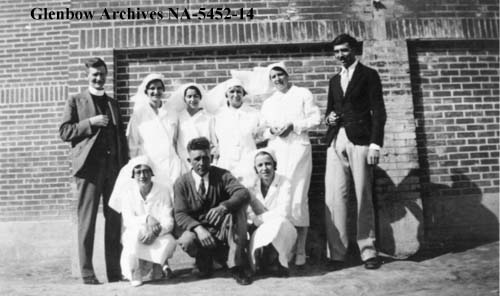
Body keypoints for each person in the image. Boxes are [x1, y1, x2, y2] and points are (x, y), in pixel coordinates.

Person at [59, 57, 129, 284]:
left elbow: (120, 138)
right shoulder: (75, 100)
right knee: (87, 222)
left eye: (101, 74)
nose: (98, 79)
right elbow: (65, 131)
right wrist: (90, 122)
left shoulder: (113, 103)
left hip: (113, 171)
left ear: (106, 75)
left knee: (114, 221)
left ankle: (114, 273)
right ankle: (88, 274)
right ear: (87, 76)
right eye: (94, 75)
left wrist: (124, 168)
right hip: (89, 170)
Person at [324, 33, 387, 270]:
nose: (340, 55)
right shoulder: (333, 80)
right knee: (334, 198)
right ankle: (337, 254)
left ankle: (368, 251)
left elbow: (379, 112)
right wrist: (328, 118)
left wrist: (375, 144)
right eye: (337, 51)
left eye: (344, 50)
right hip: (335, 142)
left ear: (355, 50)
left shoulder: (369, 75)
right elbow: (329, 111)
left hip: (360, 141)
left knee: (363, 197)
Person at [259, 62, 321, 266]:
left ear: (287, 75)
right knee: (279, 200)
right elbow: (262, 130)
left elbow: (316, 118)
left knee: (298, 198)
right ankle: (282, 250)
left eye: (280, 75)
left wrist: (294, 126)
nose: (277, 79)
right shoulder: (269, 102)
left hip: (298, 151)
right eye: (273, 76)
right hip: (277, 152)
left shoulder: (302, 93)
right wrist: (273, 131)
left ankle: (301, 250)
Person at [173, 137, 252, 285]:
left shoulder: (222, 175)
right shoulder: (181, 183)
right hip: (199, 233)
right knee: (186, 240)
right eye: (197, 159)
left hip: (221, 229)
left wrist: (224, 206)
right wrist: (198, 228)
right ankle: (205, 258)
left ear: (211, 157)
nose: (201, 163)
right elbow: (180, 214)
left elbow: (243, 193)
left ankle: (236, 266)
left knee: (238, 211)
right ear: (189, 161)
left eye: (205, 158)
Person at [109, 156, 177, 287]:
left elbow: (168, 221)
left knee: (169, 242)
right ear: (133, 175)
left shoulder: (163, 191)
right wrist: (146, 218)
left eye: (146, 171)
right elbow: (128, 220)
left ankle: (159, 265)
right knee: (130, 240)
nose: (142, 175)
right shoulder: (128, 193)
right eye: (138, 172)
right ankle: (136, 272)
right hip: (137, 235)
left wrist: (156, 232)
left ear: (152, 173)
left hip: (158, 235)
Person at [247, 148, 297, 277]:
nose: (265, 168)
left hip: (282, 227)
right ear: (255, 169)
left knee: (279, 223)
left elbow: (283, 211)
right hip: (260, 227)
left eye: (268, 163)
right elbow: (248, 211)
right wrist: (255, 219)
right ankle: (262, 261)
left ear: (275, 165)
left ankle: (280, 262)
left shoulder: (285, 182)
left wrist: (258, 219)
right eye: (260, 165)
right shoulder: (251, 185)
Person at [126, 73, 182, 186]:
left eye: (159, 88)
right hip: (149, 164)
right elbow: (133, 143)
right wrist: (138, 165)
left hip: (171, 164)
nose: (156, 92)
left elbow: (175, 140)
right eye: (152, 88)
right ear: (146, 91)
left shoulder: (171, 112)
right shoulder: (139, 114)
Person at [214, 78, 260, 185]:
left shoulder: (254, 114)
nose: (235, 94)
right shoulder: (218, 115)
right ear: (226, 94)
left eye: (239, 91)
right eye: (232, 91)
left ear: (244, 93)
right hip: (226, 162)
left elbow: (262, 135)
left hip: (248, 160)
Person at [174, 84, 218, 173]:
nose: (192, 99)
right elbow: (175, 140)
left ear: (200, 98)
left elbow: (214, 142)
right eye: (189, 96)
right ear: (184, 99)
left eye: (195, 96)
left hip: (203, 161)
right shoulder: (179, 117)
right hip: (184, 161)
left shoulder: (208, 117)